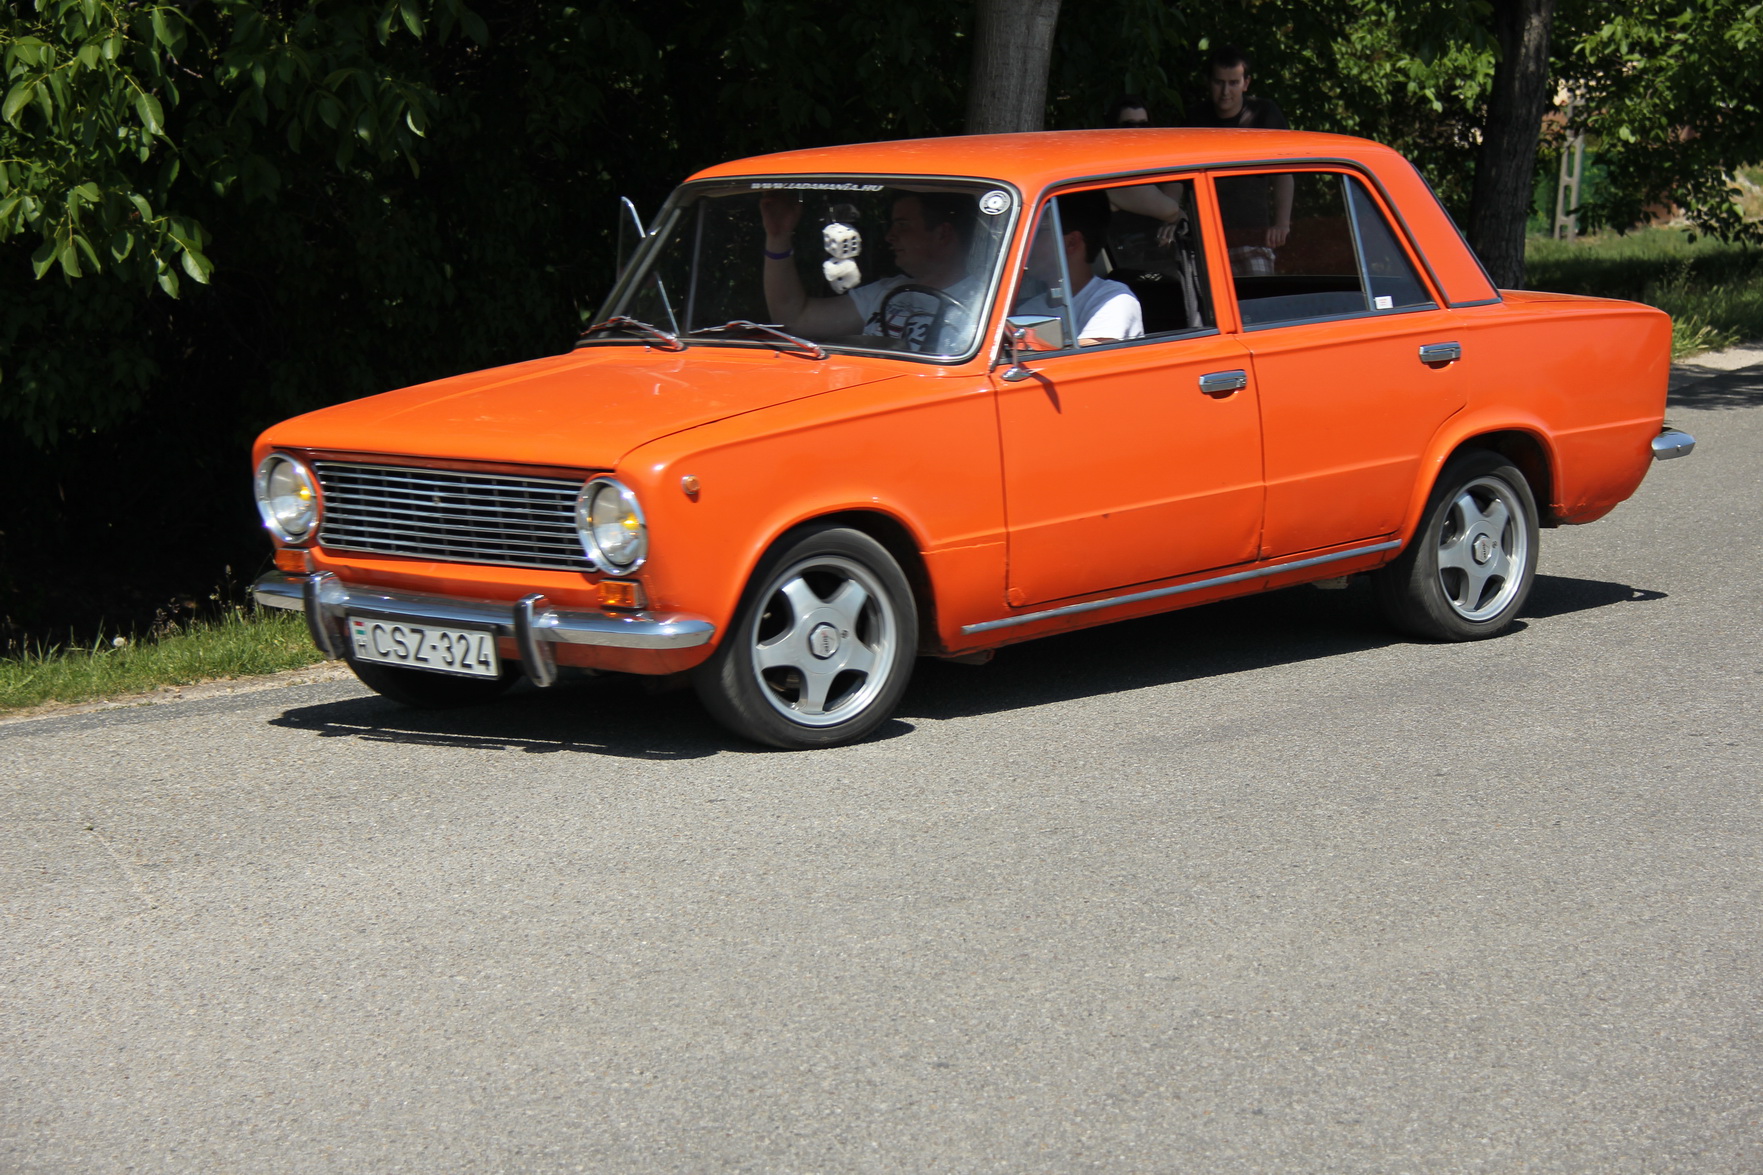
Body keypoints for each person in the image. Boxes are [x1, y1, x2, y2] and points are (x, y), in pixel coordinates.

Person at [760, 191, 982, 352]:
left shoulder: (984, 303)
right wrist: (778, 238)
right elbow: (794, 319)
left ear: (942, 234)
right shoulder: (886, 291)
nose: (889, 236)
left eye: (903, 225)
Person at [1185, 44, 1293, 275]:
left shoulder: (1264, 115)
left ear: (1246, 83)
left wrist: (1282, 223)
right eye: (1219, 82)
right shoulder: (1195, 119)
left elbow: (1284, 171)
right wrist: (1171, 218)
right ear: (1208, 82)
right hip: (1206, 242)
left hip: (1254, 240)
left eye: (1233, 83)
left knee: (1259, 293)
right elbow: (1178, 176)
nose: (1226, 91)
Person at [1013, 190, 1143, 346]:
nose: (1025, 244)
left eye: (1037, 232)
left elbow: (1089, 356)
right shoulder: (1027, 310)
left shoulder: (1113, 299)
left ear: (1071, 243)